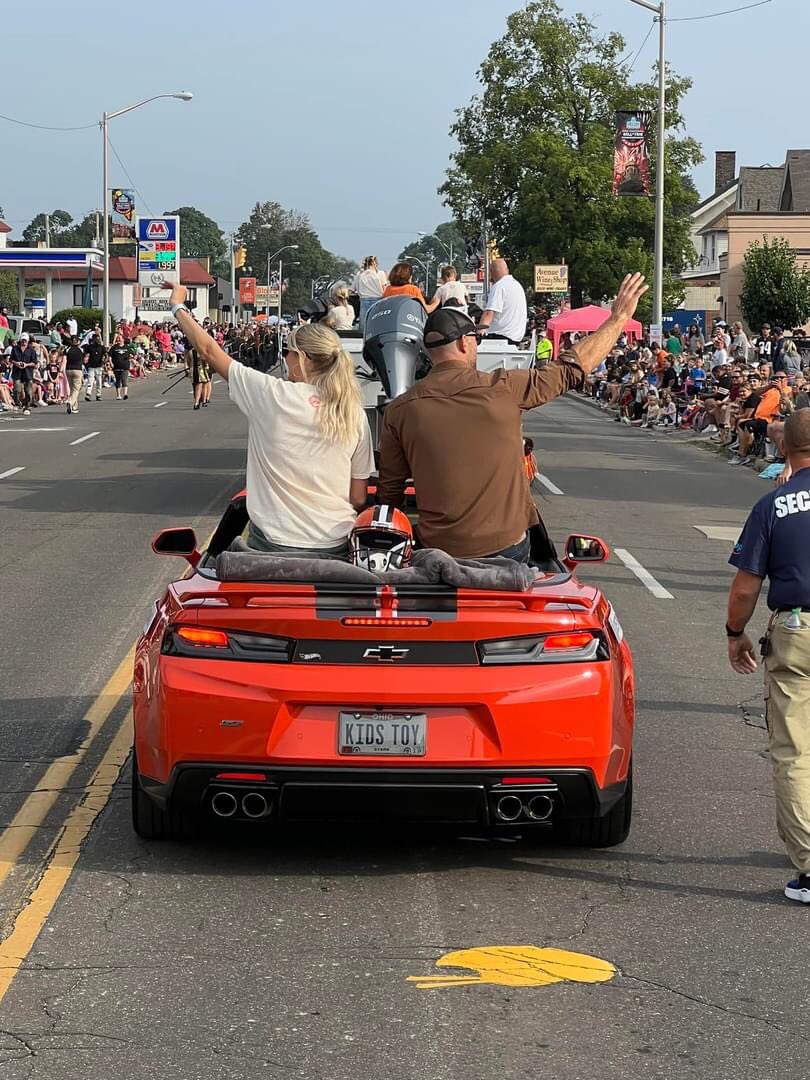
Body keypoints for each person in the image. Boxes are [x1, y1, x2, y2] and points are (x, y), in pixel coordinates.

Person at [377, 272, 648, 561]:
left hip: (437, 549)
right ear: (463, 344)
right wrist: (617, 318)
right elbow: (572, 368)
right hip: (506, 549)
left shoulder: (400, 409)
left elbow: (389, 494)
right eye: (475, 338)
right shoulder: (503, 388)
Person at [165, 283, 374, 557]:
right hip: (334, 543)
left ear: (303, 358)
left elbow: (208, 350)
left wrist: (178, 306)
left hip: (273, 543)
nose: (285, 358)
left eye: (288, 351)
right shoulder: (353, 412)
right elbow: (358, 497)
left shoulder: (272, 394)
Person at [726, 409, 810, 903]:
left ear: (783, 449)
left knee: (795, 750)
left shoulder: (774, 504)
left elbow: (745, 586)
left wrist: (735, 632)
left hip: (797, 628)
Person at [478, 258, 527, 345]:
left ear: (492, 272)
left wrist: (478, 333)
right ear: (507, 270)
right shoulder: (517, 285)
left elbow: (489, 314)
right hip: (516, 337)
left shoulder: (499, 286)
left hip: (500, 336)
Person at [352, 256, 388, 332]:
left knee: (364, 324)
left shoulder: (359, 274)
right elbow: (384, 288)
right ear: (375, 263)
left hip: (363, 299)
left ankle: (362, 337)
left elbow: (353, 288)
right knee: (377, 322)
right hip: (378, 299)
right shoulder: (380, 273)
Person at [10, 334, 36, 415]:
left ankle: (27, 406)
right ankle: (18, 403)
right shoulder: (15, 349)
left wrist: (26, 364)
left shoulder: (31, 350)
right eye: (22, 340)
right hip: (17, 372)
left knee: (28, 391)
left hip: (27, 372)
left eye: (25, 340)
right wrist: (16, 363)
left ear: (28, 341)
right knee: (17, 389)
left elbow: (34, 363)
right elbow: (11, 359)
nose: (24, 342)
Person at [83, 332, 106, 401]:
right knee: (90, 381)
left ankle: (98, 394)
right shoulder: (89, 347)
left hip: (99, 366)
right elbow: (85, 353)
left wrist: (104, 361)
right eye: (95, 339)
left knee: (99, 381)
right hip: (91, 366)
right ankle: (88, 394)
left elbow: (106, 355)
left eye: (98, 339)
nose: (97, 340)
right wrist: (86, 357)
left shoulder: (102, 347)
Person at [109, 332, 130, 400]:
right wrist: (111, 363)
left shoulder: (127, 347)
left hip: (125, 366)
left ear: (123, 339)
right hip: (116, 366)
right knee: (118, 380)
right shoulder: (114, 347)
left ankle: (125, 394)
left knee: (124, 380)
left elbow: (133, 355)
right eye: (117, 338)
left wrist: (132, 357)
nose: (118, 339)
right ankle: (118, 395)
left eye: (119, 338)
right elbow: (110, 356)